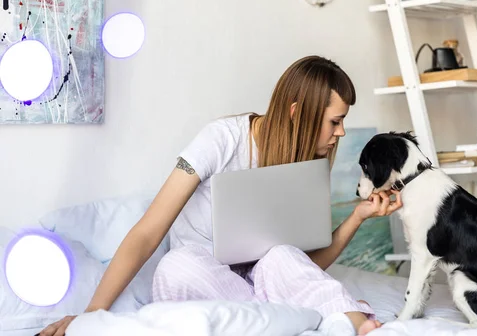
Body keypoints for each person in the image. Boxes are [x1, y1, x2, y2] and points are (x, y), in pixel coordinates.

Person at [39, 56, 403, 336]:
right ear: (297, 113)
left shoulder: (305, 164)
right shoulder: (221, 140)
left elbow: (301, 268)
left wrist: (357, 216)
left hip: (261, 289)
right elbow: (148, 232)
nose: (340, 133)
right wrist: (90, 316)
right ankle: (294, 318)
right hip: (204, 281)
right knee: (177, 265)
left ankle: (354, 323)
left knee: (278, 257)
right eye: (334, 121)